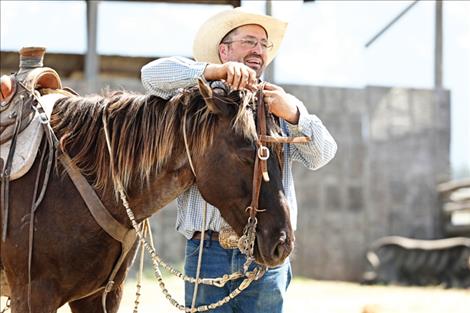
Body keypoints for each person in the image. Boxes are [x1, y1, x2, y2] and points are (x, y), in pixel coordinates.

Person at [141, 8, 337, 313]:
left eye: (263, 44)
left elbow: (322, 154)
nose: (258, 50)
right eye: (249, 41)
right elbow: (151, 76)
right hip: (207, 249)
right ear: (225, 50)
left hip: (266, 246)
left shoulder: (281, 106)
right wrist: (213, 72)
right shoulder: (198, 99)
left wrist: (296, 115)